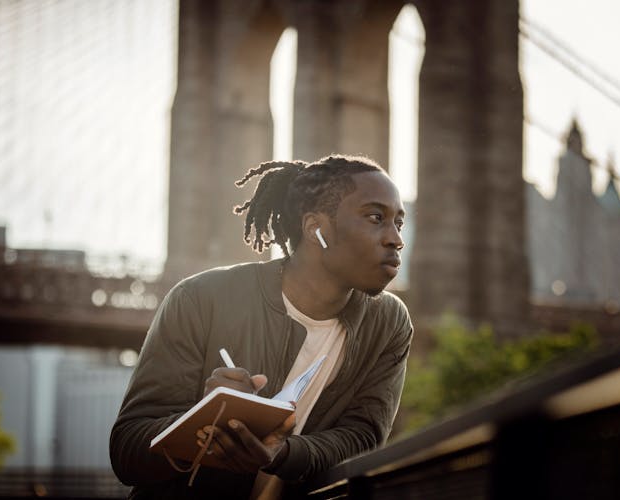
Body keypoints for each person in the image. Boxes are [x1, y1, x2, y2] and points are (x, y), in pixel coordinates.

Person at [110, 154, 413, 499]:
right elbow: (127, 451)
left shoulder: (389, 323)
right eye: (376, 218)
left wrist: (281, 455)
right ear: (317, 229)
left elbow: (363, 437)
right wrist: (201, 421)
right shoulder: (200, 298)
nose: (395, 239)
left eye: (398, 223)